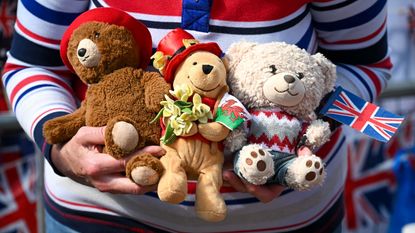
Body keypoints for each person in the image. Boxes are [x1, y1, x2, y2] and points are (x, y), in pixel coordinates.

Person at [1, 0, 391, 232]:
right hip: (101, 215)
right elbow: (32, 65)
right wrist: (61, 150)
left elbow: (365, 63)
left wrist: (296, 141)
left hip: (285, 220)